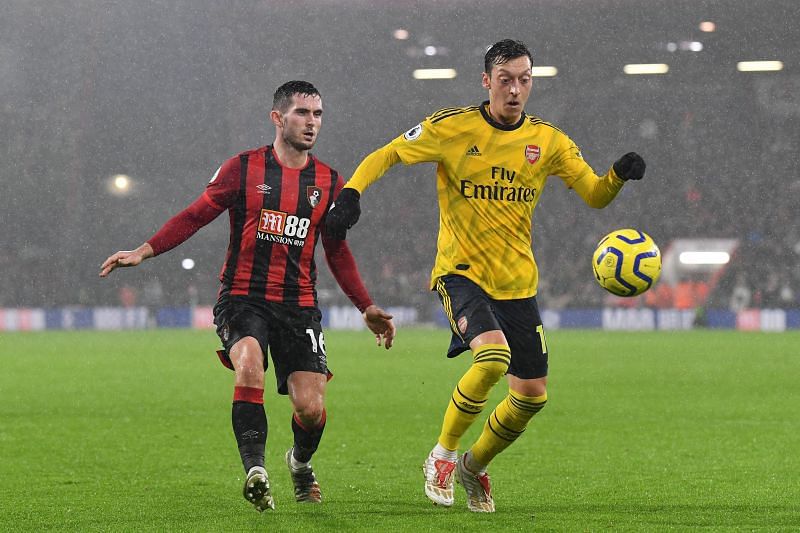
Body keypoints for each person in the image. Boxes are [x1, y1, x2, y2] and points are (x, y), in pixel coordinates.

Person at [326, 40, 645, 512]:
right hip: (461, 272)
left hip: (518, 282)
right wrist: (351, 192)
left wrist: (617, 175)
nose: (515, 90)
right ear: (486, 82)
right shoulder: (452, 127)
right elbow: (388, 154)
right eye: (505, 80)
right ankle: (443, 454)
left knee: (532, 397)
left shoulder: (549, 142)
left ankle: (473, 466)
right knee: (492, 358)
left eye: (524, 79)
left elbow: (595, 195)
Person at [100, 80, 396, 512]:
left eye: (317, 114)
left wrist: (365, 305)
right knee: (249, 364)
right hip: (243, 297)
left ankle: (298, 462)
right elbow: (196, 215)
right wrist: (145, 250)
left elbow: (336, 249)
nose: (311, 123)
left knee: (310, 409)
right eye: (302, 113)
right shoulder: (243, 168)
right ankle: (255, 472)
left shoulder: (331, 182)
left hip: (299, 304)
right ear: (278, 118)